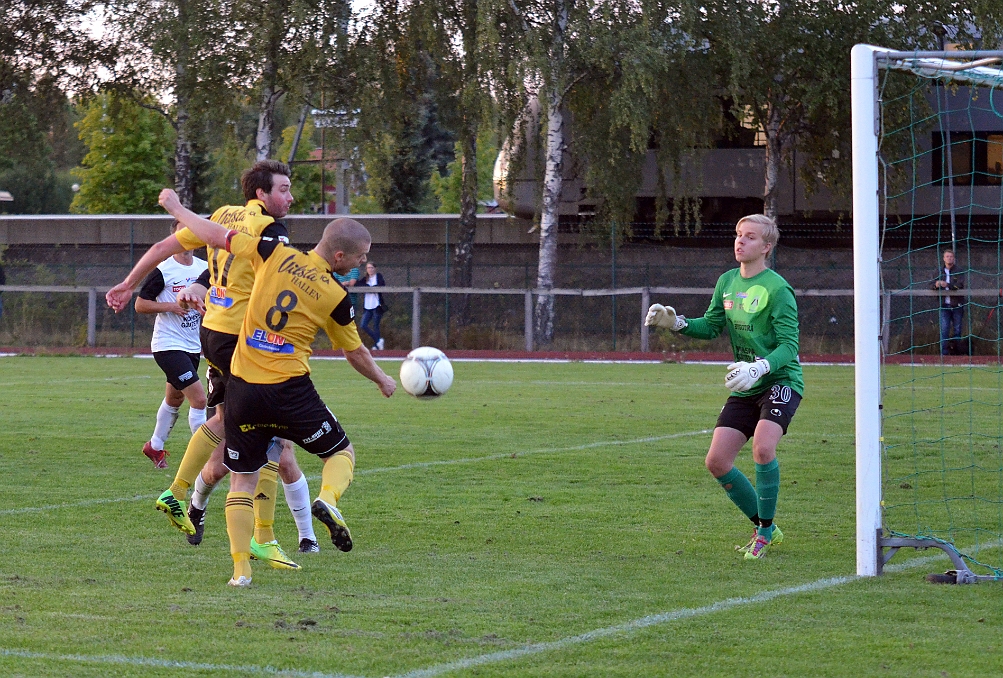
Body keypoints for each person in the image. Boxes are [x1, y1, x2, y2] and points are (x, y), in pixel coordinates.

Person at [158, 187, 396, 587]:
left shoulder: (274, 252)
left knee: (242, 478)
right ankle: (328, 500)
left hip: (245, 389)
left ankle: (240, 572)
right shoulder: (337, 296)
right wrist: (383, 379)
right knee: (341, 452)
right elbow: (354, 353)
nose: (362, 264)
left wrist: (179, 209)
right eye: (360, 257)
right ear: (340, 256)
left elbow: (215, 235)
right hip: (290, 390)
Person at [106, 160, 315, 567]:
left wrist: (129, 282)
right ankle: (260, 536)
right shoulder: (263, 225)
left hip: (216, 332)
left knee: (237, 425)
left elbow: (166, 248)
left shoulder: (223, 212)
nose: (291, 197)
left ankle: (184, 495)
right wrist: (178, 208)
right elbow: (212, 241)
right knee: (270, 433)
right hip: (243, 338)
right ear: (261, 193)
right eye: (284, 189)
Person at [646, 214, 803, 561]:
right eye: (738, 234)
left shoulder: (778, 289)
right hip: (746, 385)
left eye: (749, 237)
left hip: (780, 381)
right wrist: (678, 323)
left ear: (766, 247)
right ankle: (767, 526)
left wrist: (760, 366)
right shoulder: (727, 281)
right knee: (717, 461)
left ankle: (763, 533)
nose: (740, 241)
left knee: (763, 448)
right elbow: (713, 325)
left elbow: (790, 346)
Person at [134, 220, 209, 468]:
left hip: (192, 345)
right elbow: (140, 304)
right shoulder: (164, 270)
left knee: (175, 399)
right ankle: (206, 457)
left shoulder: (205, 269)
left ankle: (154, 446)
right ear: (174, 238)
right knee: (199, 400)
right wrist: (170, 306)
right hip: (167, 345)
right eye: (181, 234)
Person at [932, 249, 965, 356]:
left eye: (951, 256)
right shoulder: (938, 271)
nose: (949, 258)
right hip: (944, 305)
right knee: (944, 329)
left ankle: (956, 353)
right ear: (943, 258)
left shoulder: (959, 270)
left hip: (957, 305)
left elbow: (959, 285)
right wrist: (936, 285)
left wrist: (948, 285)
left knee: (957, 329)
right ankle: (944, 354)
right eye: (947, 256)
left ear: (954, 258)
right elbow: (930, 285)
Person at [359, 261, 385, 350]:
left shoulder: (378, 276)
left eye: (371, 268)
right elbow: (358, 284)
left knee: (375, 325)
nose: (370, 270)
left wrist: (372, 288)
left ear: (375, 268)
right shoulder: (365, 279)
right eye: (368, 268)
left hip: (377, 305)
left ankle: (377, 345)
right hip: (368, 306)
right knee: (363, 325)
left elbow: (382, 284)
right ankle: (378, 341)